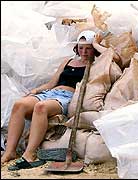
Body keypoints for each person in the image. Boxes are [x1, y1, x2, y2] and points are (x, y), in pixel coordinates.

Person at [1, 30, 102, 167]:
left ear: (94, 49)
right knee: (19, 104)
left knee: (40, 107)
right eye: (81, 47)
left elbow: (115, 57)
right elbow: (51, 83)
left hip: (67, 98)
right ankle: (10, 151)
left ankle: (29, 154)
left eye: (88, 48)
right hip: (51, 93)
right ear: (76, 48)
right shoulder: (68, 61)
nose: (84, 52)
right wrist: (35, 91)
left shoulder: (96, 65)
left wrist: (97, 44)